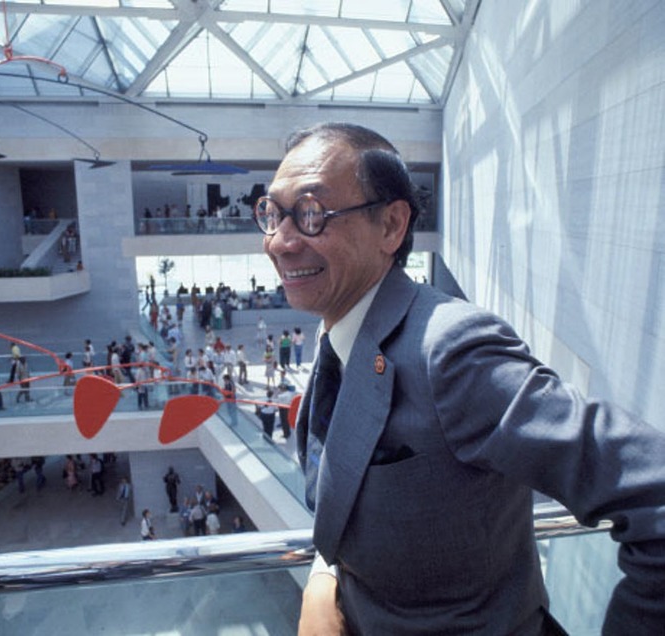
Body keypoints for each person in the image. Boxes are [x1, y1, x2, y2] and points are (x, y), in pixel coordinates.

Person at [258, 122, 665, 634]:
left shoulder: (450, 351)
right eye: (272, 214)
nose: (280, 241)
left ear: (391, 226)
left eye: (313, 215)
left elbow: (655, 490)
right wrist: (325, 574)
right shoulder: (341, 333)